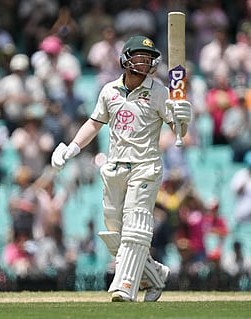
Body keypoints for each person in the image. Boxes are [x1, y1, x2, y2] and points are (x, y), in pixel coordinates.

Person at [51, 35, 192, 302]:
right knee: (115, 229)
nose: (146, 61)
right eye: (140, 56)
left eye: (149, 58)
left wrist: (182, 116)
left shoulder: (160, 91)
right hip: (115, 167)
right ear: (126, 59)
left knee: (135, 226)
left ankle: (125, 284)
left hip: (145, 166)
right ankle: (155, 274)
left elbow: (178, 132)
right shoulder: (109, 91)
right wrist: (71, 149)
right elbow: (94, 124)